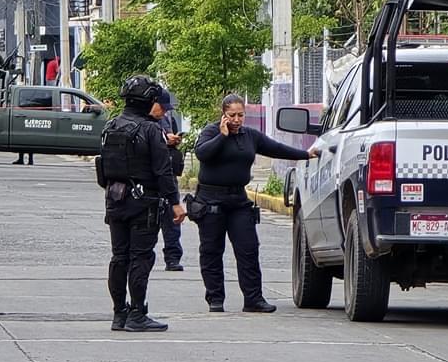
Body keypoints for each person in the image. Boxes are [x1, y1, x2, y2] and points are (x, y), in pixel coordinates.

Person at [193, 94, 319, 313]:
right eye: (231, 115)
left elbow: (276, 148)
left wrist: (306, 154)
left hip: (238, 200)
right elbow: (203, 154)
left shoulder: (249, 136)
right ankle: (215, 298)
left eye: (240, 115)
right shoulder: (211, 132)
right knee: (212, 250)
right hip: (211, 200)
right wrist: (222, 137)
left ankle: (253, 299)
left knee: (248, 248)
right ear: (223, 114)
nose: (236, 119)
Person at [98, 75, 185, 332]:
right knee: (141, 257)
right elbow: (163, 171)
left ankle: (119, 314)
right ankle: (136, 313)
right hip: (143, 203)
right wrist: (175, 203)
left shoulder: (111, 126)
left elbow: (103, 167)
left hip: (115, 199)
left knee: (119, 257)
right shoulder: (150, 130)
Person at [153, 89, 185, 271]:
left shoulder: (166, 119)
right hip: (148, 178)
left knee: (172, 216)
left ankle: (172, 258)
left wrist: (173, 140)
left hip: (168, 173)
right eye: (162, 108)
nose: (164, 112)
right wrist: (165, 140)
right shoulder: (142, 122)